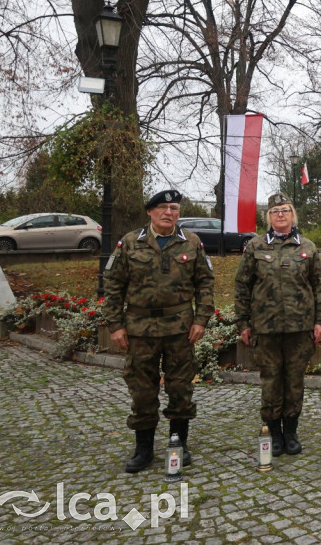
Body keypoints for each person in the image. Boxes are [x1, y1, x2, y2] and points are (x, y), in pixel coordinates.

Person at [104, 189, 214, 473]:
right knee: (142, 390)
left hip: (180, 329)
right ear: (150, 212)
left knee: (180, 388)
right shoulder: (130, 243)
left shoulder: (191, 242)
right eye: (163, 208)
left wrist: (201, 319)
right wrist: (115, 325)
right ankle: (144, 448)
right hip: (140, 330)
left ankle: (178, 441)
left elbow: (205, 283)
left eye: (174, 208)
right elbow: (113, 287)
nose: (169, 213)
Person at [235, 192, 321, 457]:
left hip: (300, 328)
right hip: (265, 328)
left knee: (295, 381)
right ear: (268, 216)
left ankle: (291, 431)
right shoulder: (255, 246)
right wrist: (242, 322)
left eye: (285, 210)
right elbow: (242, 285)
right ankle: (273, 433)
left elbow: (320, 285)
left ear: (293, 215)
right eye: (275, 210)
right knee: (271, 380)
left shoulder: (307, 247)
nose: (280, 214)